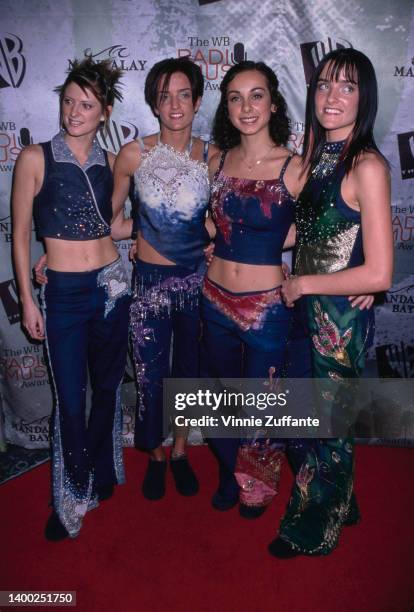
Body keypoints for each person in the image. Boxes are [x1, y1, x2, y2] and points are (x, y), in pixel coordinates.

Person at [268, 48, 393, 557]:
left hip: (338, 317)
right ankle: (340, 496)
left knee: (329, 423)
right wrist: (251, 247)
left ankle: (316, 524)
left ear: (365, 99)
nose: (332, 97)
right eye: (323, 85)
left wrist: (303, 285)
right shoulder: (318, 157)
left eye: (346, 86)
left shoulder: (367, 165)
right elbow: (312, 231)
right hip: (307, 313)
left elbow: (380, 272)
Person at [12, 57, 130, 541]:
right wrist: (28, 298)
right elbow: (19, 235)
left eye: (87, 105)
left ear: (104, 112)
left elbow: (115, 225)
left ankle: (102, 466)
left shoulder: (112, 162)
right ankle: (73, 490)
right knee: (70, 398)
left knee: (107, 389)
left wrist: (176, 231)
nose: (74, 112)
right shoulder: (35, 158)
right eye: (68, 102)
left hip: (112, 284)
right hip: (63, 293)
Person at [110, 57, 218, 500]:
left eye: (183, 94)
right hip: (149, 284)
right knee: (151, 374)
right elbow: (112, 220)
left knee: (186, 373)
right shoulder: (135, 153)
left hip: (196, 282)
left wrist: (202, 237)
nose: (175, 104)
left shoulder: (213, 156)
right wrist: (144, 231)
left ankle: (179, 451)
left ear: (196, 100)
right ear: (154, 104)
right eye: (164, 96)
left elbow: (221, 221)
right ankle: (154, 453)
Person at [201, 61, 301, 517]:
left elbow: (324, 230)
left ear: (273, 102)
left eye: (256, 95)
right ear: (226, 105)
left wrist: (353, 282)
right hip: (215, 300)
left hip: (266, 309)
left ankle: (256, 482)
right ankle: (227, 469)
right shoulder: (216, 159)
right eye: (236, 97)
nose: (246, 106)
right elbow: (207, 219)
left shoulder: (295, 167)